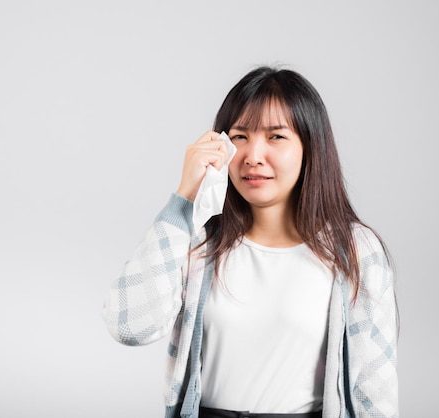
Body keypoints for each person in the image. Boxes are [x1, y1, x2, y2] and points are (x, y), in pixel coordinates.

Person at [102, 66, 399, 418]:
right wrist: (183, 199)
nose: (253, 156)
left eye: (276, 137)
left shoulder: (355, 251)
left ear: (310, 148)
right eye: (240, 136)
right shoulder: (199, 242)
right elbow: (129, 326)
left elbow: (374, 391)